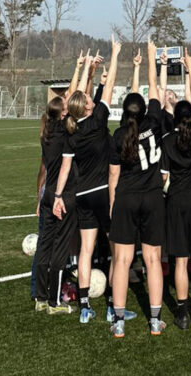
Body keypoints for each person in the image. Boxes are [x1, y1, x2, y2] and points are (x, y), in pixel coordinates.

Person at [53, 37, 137, 324]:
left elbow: (65, 169)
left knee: (86, 251)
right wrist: (115, 54)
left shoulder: (71, 131)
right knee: (116, 249)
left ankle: (85, 306)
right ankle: (115, 305)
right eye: (89, 98)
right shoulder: (99, 116)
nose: (92, 97)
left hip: (82, 195)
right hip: (105, 192)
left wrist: (57, 197)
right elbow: (110, 84)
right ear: (88, 107)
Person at [108, 36, 167, 338]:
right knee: (154, 260)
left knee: (121, 260)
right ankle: (155, 320)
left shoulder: (118, 136)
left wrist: (111, 204)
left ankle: (118, 321)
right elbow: (153, 87)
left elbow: (114, 176)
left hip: (127, 199)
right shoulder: (155, 122)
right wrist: (151, 55)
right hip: (153, 197)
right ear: (145, 112)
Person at [160, 49, 191, 330]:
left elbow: (164, 176)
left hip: (176, 200)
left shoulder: (168, 141)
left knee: (180, 260)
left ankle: (181, 312)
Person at [32, 96, 78, 314]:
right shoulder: (66, 135)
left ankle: (40, 298)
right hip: (63, 194)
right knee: (60, 248)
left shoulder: (46, 133)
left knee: (44, 245)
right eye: (66, 109)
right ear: (62, 114)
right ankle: (54, 302)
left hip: (47, 194)